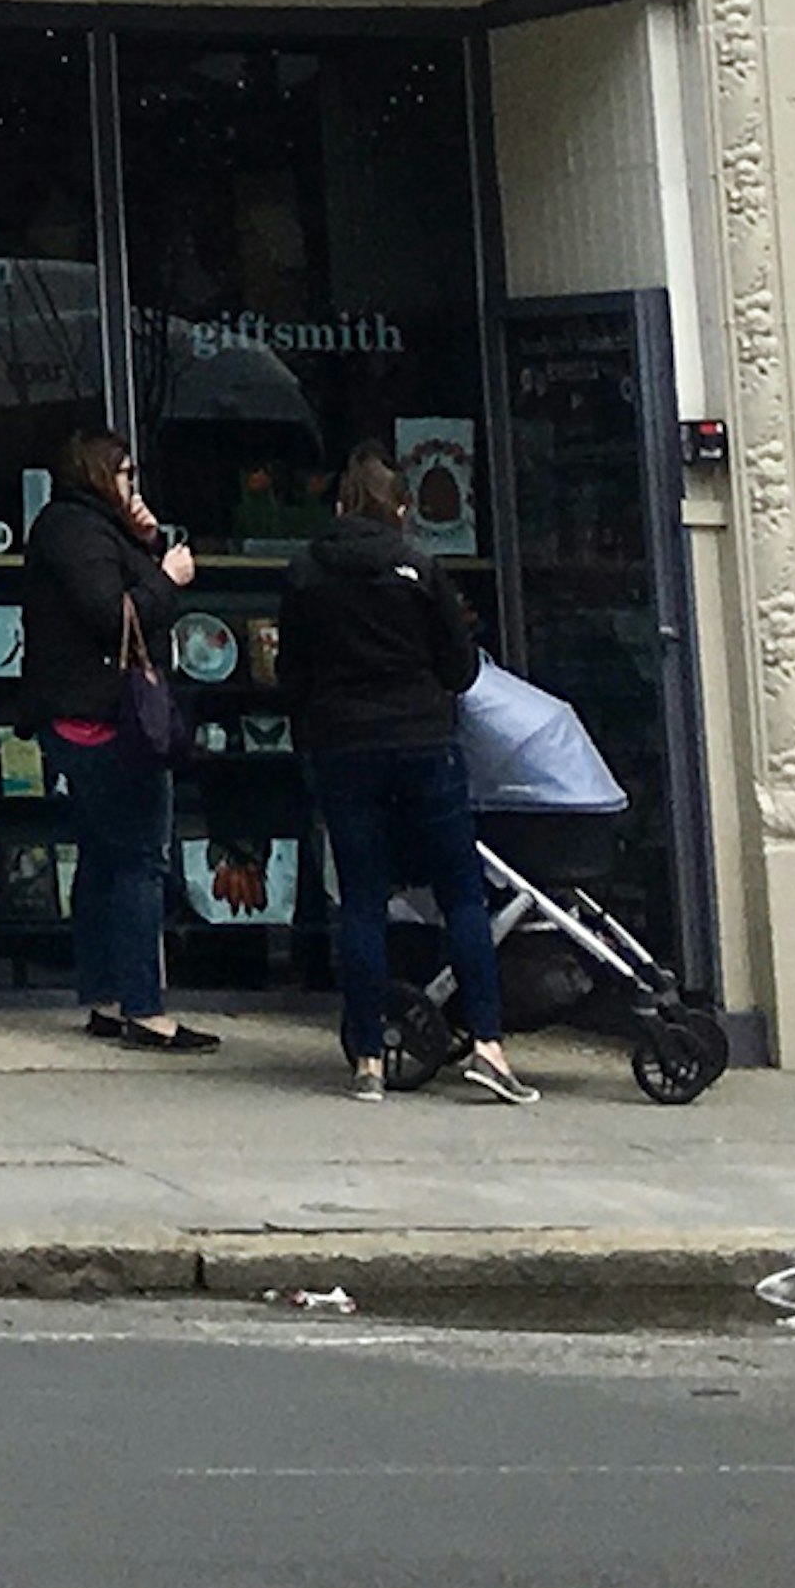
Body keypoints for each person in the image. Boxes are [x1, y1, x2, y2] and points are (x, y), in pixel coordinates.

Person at [286, 446, 534, 1104]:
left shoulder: (307, 571)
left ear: (340, 506)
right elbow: (459, 667)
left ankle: (368, 1056)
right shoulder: (420, 570)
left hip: (344, 746)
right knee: (461, 894)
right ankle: (487, 1045)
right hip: (423, 741)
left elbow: (293, 672)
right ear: (400, 509)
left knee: (363, 900)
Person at [23, 426, 215, 1053]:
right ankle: (143, 1006)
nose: (135, 483)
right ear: (101, 474)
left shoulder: (91, 528)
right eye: (127, 473)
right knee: (138, 859)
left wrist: (149, 540)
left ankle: (105, 994)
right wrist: (167, 575)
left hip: (91, 715)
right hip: (105, 720)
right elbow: (112, 613)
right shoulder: (74, 529)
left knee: (105, 858)